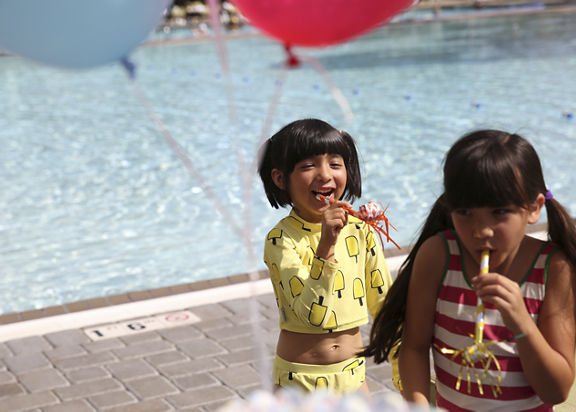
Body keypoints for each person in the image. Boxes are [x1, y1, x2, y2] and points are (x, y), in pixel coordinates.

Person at [362, 129, 576, 410]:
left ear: (534, 208)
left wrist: (522, 324)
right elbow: (413, 347)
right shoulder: (438, 256)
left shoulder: (553, 268)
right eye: (465, 212)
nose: (480, 230)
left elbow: (556, 391)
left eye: (499, 212)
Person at [258, 118, 399, 394]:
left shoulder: (361, 232)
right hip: (298, 382)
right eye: (308, 166)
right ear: (279, 178)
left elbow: (385, 308)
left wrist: (403, 373)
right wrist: (326, 245)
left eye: (335, 164)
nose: (325, 175)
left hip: (352, 377)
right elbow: (312, 315)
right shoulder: (281, 240)